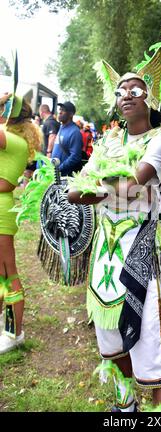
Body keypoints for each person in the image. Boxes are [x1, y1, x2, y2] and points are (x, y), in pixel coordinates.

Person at [68, 74, 161, 412]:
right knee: (110, 341)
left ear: (150, 99)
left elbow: (132, 182)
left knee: (150, 347)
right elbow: (75, 192)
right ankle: (125, 407)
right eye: (120, 92)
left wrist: (99, 186)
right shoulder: (107, 143)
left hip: (139, 256)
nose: (126, 96)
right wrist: (109, 186)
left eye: (135, 91)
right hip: (104, 259)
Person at [0, 92, 42, 353]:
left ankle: (15, 333)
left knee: (8, 273)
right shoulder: (12, 139)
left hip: (1, 210)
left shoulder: (12, 140)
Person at [51, 101, 83, 176]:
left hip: (65, 176)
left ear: (71, 114)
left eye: (63, 110)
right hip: (56, 174)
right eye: (60, 109)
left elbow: (75, 157)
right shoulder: (61, 127)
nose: (60, 112)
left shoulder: (75, 132)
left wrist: (59, 169)